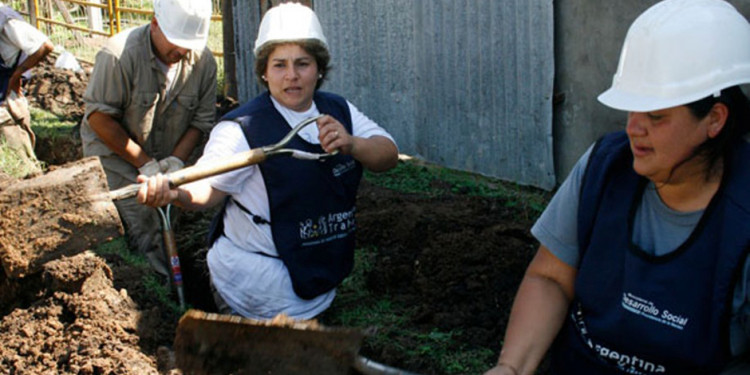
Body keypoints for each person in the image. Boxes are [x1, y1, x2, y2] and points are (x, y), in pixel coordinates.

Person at [484, 0, 750, 374]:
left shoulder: (743, 214)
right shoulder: (605, 167)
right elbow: (551, 277)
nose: (633, 129)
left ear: (714, 120)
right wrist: (511, 367)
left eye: (656, 117)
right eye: (632, 109)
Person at [136, 2, 398, 320]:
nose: (292, 76)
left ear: (319, 68)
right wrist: (175, 191)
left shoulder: (338, 110)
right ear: (263, 70)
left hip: (318, 271)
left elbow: (387, 154)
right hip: (254, 285)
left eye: (303, 63)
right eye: (279, 65)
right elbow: (208, 187)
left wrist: (353, 144)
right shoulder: (243, 127)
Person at [80, 0, 217, 276]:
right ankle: (159, 298)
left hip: (167, 156)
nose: (181, 51)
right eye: (176, 42)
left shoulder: (203, 62)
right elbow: (99, 119)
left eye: (188, 44)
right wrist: (144, 163)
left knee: (174, 211)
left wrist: (177, 161)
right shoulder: (119, 55)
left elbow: (200, 122)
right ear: (155, 23)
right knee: (143, 220)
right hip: (116, 155)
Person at [0, 3, 53, 175]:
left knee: (22, 165)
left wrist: (16, 76)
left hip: (6, 102)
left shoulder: (6, 20)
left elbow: (44, 46)